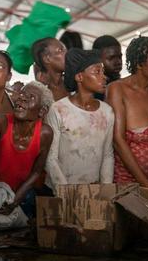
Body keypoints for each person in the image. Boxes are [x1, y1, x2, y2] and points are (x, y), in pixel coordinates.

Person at [0, 81, 53, 217]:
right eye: (22, 94)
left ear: (42, 111)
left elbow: (36, 172)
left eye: (31, 97)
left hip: (16, 194)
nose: (22, 98)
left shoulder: (45, 134)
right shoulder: (1, 120)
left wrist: (15, 201)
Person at [107, 36, 148, 189]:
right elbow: (118, 140)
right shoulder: (117, 89)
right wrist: (144, 182)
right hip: (127, 180)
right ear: (139, 64)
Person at [45, 49, 114, 193]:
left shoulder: (107, 112)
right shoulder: (59, 110)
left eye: (103, 72)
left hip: (94, 189)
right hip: (63, 190)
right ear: (79, 77)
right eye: (97, 72)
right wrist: (66, 194)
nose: (104, 77)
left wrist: (105, 191)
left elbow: (107, 154)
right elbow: (51, 158)